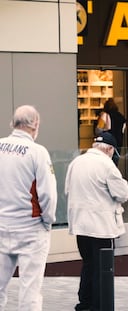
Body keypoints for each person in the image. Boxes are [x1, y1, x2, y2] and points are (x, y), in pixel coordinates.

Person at [65, 132, 128, 311]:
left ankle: (84, 302)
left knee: (88, 264)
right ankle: (99, 305)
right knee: (102, 268)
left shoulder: (76, 162)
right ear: (110, 149)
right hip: (101, 226)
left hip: (80, 225)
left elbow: (67, 189)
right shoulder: (107, 165)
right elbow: (122, 193)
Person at [0, 105, 57, 311]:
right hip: (30, 228)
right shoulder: (37, 152)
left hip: (2, 225)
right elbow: (48, 194)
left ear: (12, 123)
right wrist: (48, 221)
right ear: (36, 125)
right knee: (30, 291)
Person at [96, 98, 126, 164]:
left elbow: (99, 129)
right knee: (115, 161)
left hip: (107, 141)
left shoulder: (105, 115)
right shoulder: (121, 117)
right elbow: (123, 130)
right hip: (118, 141)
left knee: (106, 161)